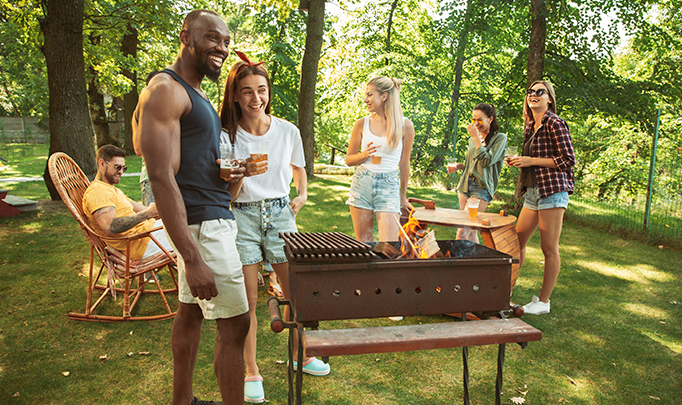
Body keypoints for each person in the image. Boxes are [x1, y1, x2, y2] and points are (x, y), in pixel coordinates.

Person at [132, 10, 249, 405]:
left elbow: (193, 168)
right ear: (186, 36)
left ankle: (182, 400)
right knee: (236, 326)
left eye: (226, 42)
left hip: (210, 218)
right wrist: (192, 257)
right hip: (202, 228)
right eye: (212, 38)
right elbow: (162, 177)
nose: (221, 47)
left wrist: (231, 177)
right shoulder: (166, 89)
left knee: (191, 313)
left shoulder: (196, 93)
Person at [218, 51, 321, 404]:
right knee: (247, 300)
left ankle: (301, 354)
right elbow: (227, 196)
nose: (256, 98)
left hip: (280, 213)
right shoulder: (226, 137)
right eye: (247, 91)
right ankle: (252, 371)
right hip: (242, 216)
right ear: (235, 95)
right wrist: (241, 174)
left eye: (261, 90)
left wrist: (302, 195)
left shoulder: (287, 131)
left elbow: (299, 168)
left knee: (294, 290)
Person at [506, 80, 575, 315]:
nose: (533, 95)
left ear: (549, 99)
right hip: (533, 191)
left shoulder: (555, 122)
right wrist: (519, 160)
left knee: (549, 248)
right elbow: (533, 160)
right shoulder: (530, 126)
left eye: (540, 92)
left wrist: (531, 161)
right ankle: (506, 290)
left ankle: (543, 302)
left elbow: (567, 160)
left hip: (552, 191)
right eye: (530, 92)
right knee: (517, 242)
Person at [345, 76, 416, 243]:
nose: (365, 100)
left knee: (389, 245)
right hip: (362, 183)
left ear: (384, 96)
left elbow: (405, 164)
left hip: (389, 185)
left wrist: (403, 196)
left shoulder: (405, 125)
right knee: (364, 243)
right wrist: (363, 155)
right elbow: (349, 159)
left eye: (370, 95)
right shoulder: (362, 124)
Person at [82, 145, 173, 264]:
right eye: (117, 167)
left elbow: (143, 209)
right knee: (196, 236)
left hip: (149, 234)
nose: (121, 172)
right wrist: (148, 213)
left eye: (123, 168)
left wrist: (160, 210)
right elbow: (110, 227)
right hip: (142, 243)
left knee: (193, 224)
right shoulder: (98, 192)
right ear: (102, 164)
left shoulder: (111, 189)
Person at [448, 103, 507, 242]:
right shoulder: (472, 139)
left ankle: (454, 262)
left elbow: (487, 161)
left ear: (490, 119)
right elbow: (474, 164)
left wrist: (476, 138)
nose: (476, 123)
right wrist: (459, 166)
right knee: (471, 232)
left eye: (480, 119)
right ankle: (475, 262)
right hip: (465, 186)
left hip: (481, 188)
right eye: (473, 119)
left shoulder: (500, 138)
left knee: (462, 231)